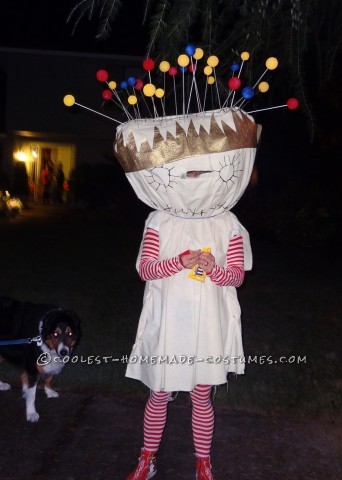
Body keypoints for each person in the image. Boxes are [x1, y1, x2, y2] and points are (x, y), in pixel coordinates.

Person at [113, 107, 258, 480]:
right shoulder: (159, 219)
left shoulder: (228, 223)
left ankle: (203, 462)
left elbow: (237, 277)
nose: (195, 174)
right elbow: (145, 269)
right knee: (160, 392)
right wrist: (178, 261)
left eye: (202, 167)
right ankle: (147, 458)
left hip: (208, 323)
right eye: (187, 167)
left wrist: (216, 270)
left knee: (201, 394)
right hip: (169, 321)